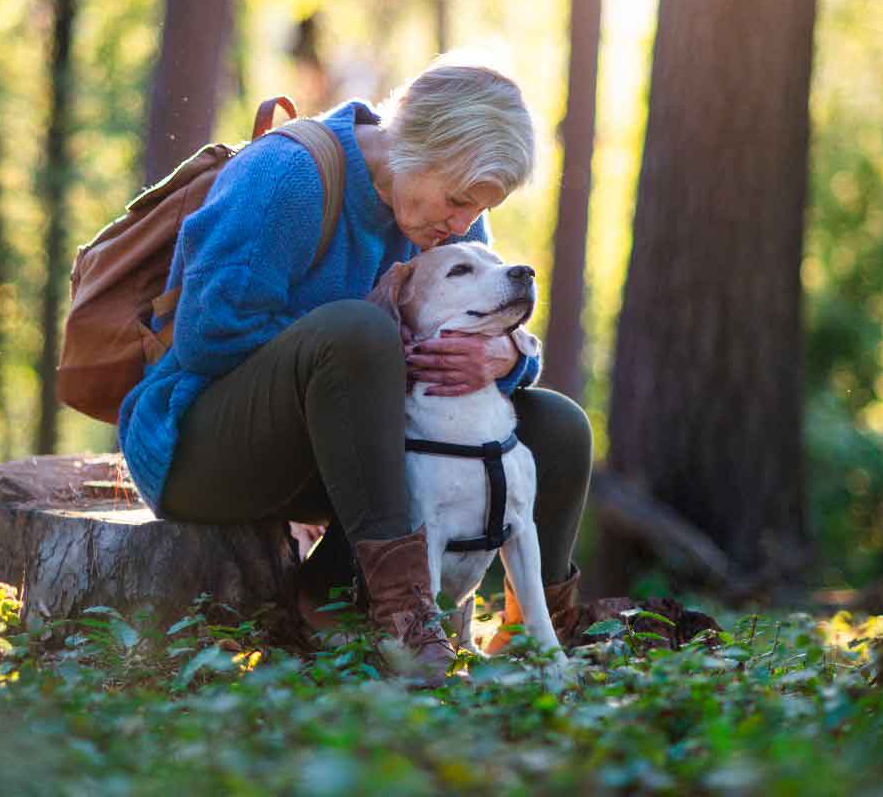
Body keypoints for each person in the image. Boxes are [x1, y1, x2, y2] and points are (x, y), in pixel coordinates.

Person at [118, 57, 593, 684]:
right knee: (360, 331)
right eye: (455, 202)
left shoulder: (445, 217)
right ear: (413, 142)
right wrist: (364, 359)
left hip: (349, 459)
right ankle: (403, 618)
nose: (460, 225)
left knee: (553, 424)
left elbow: (495, 321)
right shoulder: (287, 176)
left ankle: (536, 636)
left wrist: (508, 356)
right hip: (204, 445)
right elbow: (210, 337)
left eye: (473, 209)